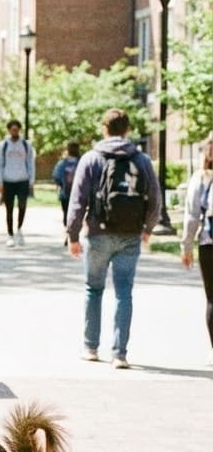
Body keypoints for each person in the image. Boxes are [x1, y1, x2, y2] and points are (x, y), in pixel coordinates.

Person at [65, 108, 161, 369]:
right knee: (124, 294)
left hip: (97, 234)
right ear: (127, 130)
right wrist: (148, 229)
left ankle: (91, 348)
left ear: (104, 129)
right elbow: (155, 198)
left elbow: (78, 200)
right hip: (129, 236)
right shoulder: (141, 160)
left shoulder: (91, 158)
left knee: (93, 289)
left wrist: (73, 234)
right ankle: (120, 353)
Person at [181, 132, 213, 353]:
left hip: (208, 243)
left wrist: (186, 246)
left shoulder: (201, 178)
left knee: (212, 300)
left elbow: (192, 216)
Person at [0, 120, 36, 247]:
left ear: (19, 130)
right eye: (12, 130)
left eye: (16, 130)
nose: (14, 132)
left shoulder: (26, 145)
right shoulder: (3, 145)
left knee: (22, 206)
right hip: (8, 180)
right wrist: (0, 182)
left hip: (23, 179)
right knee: (9, 209)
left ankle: (19, 229)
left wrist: (31, 180)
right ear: (9, 130)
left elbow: (30, 163)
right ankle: (10, 234)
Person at [52, 140, 82, 230]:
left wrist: (61, 184)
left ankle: (68, 231)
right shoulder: (82, 162)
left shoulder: (62, 163)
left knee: (66, 213)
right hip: (79, 193)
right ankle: (75, 231)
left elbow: (56, 176)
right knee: (78, 213)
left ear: (67, 150)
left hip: (65, 193)